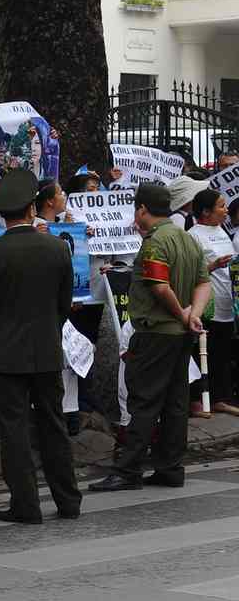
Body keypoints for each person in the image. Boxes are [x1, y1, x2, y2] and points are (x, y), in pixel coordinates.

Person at [0, 168, 80, 524]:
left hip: (6, 354)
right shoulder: (57, 247)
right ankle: (68, 500)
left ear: (3, 212)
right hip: (47, 349)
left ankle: (26, 504)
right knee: (54, 425)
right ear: (32, 209)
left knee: (15, 431)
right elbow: (65, 304)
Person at [91, 184, 212, 493]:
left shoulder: (155, 243)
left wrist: (184, 315)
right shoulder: (188, 239)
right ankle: (170, 467)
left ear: (142, 209)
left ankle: (128, 470)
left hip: (155, 334)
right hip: (179, 336)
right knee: (174, 402)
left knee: (143, 402)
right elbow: (203, 283)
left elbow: (159, 288)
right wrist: (192, 314)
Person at [189, 189, 239, 417]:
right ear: (206, 211)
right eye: (221, 206)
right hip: (208, 305)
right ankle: (199, 400)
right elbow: (190, 273)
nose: (226, 210)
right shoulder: (193, 235)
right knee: (204, 353)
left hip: (228, 302)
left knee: (223, 353)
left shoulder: (222, 230)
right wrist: (213, 266)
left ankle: (222, 398)